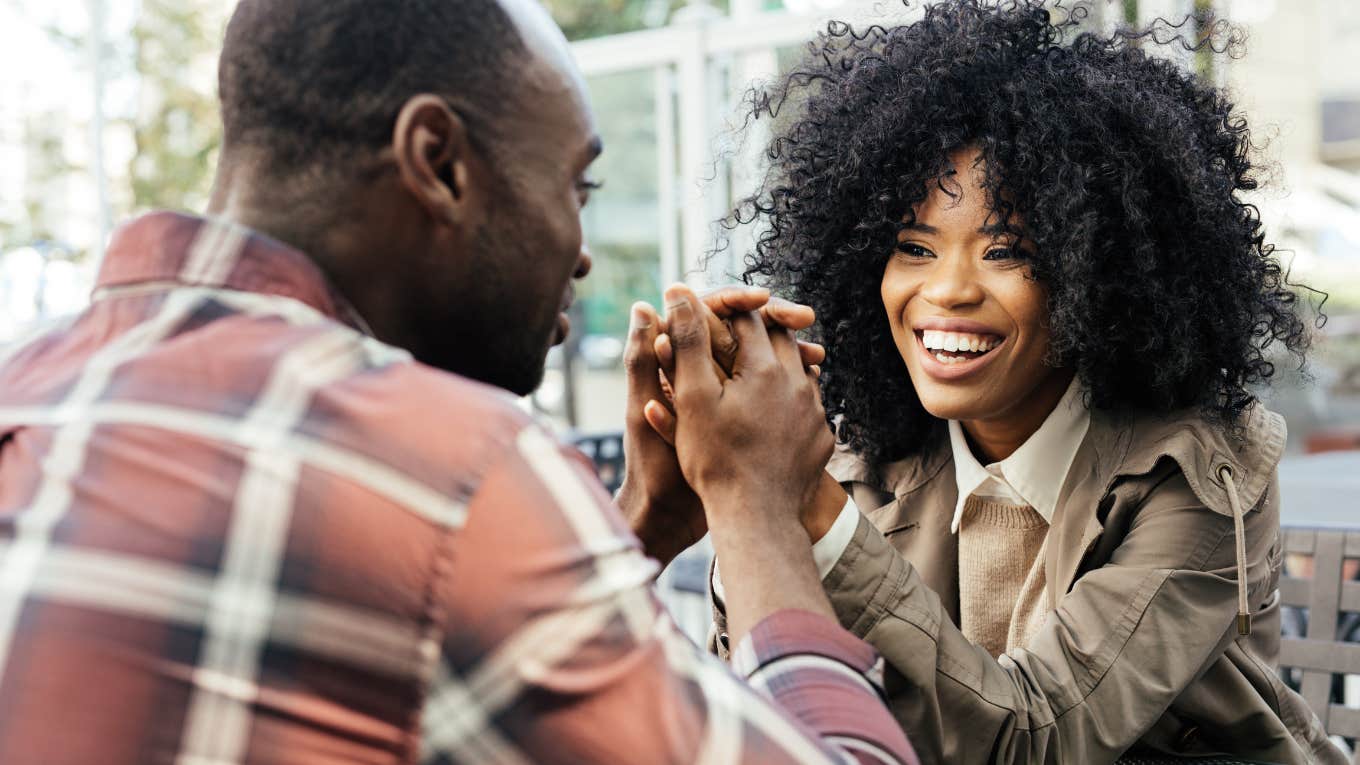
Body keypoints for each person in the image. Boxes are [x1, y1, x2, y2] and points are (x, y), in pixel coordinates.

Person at [0, 0, 919, 763]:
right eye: (576, 188)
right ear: (439, 162)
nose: (585, 254)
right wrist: (754, 503)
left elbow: (425, 664)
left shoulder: (28, 388)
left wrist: (638, 525)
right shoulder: (458, 472)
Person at [654, 1, 1347, 762]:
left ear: (1097, 275)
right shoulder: (865, 464)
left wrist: (800, 502)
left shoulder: (1196, 470)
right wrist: (739, 499)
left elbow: (1036, 737)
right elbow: (772, 716)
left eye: (1006, 251)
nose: (947, 290)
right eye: (914, 248)